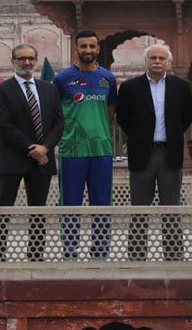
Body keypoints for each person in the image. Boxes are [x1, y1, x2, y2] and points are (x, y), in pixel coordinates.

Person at [116, 44, 192, 261]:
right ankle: (137, 254)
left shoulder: (181, 87)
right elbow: (123, 117)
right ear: (146, 61)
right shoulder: (131, 87)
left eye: (161, 58)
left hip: (170, 153)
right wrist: (139, 136)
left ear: (167, 61)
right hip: (143, 154)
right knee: (139, 208)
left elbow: (185, 118)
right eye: (153, 58)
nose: (157, 61)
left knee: (171, 207)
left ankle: (174, 254)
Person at [0, 43, 64, 261]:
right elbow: (3, 125)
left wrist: (46, 148)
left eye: (31, 58)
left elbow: (58, 123)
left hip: (42, 159)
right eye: (21, 59)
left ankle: (36, 254)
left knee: (38, 210)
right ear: (13, 62)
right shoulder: (1, 90)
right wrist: (33, 149)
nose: (27, 62)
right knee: (4, 207)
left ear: (36, 60)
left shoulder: (49, 89)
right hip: (13, 157)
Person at [53, 30, 117, 260]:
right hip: (72, 149)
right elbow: (55, 112)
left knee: (102, 202)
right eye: (83, 47)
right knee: (70, 201)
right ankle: (70, 250)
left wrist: (95, 129)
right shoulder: (62, 79)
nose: (88, 50)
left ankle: (100, 250)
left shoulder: (107, 78)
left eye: (92, 46)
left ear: (98, 49)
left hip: (101, 148)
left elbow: (110, 113)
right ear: (76, 49)